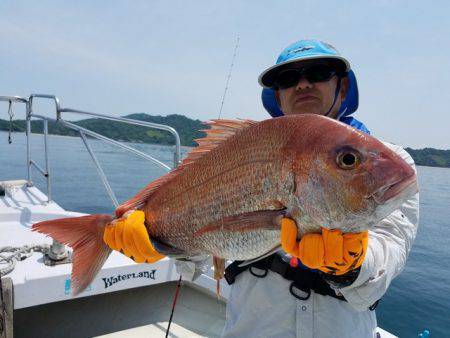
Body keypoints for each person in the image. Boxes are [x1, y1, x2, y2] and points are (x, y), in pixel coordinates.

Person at [103, 39, 419, 338]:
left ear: (343, 85)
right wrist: (157, 243)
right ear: (277, 95)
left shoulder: (390, 163)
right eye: (287, 78)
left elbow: (389, 253)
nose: (303, 84)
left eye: (319, 73)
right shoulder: (238, 152)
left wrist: (351, 266)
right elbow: (195, 263)